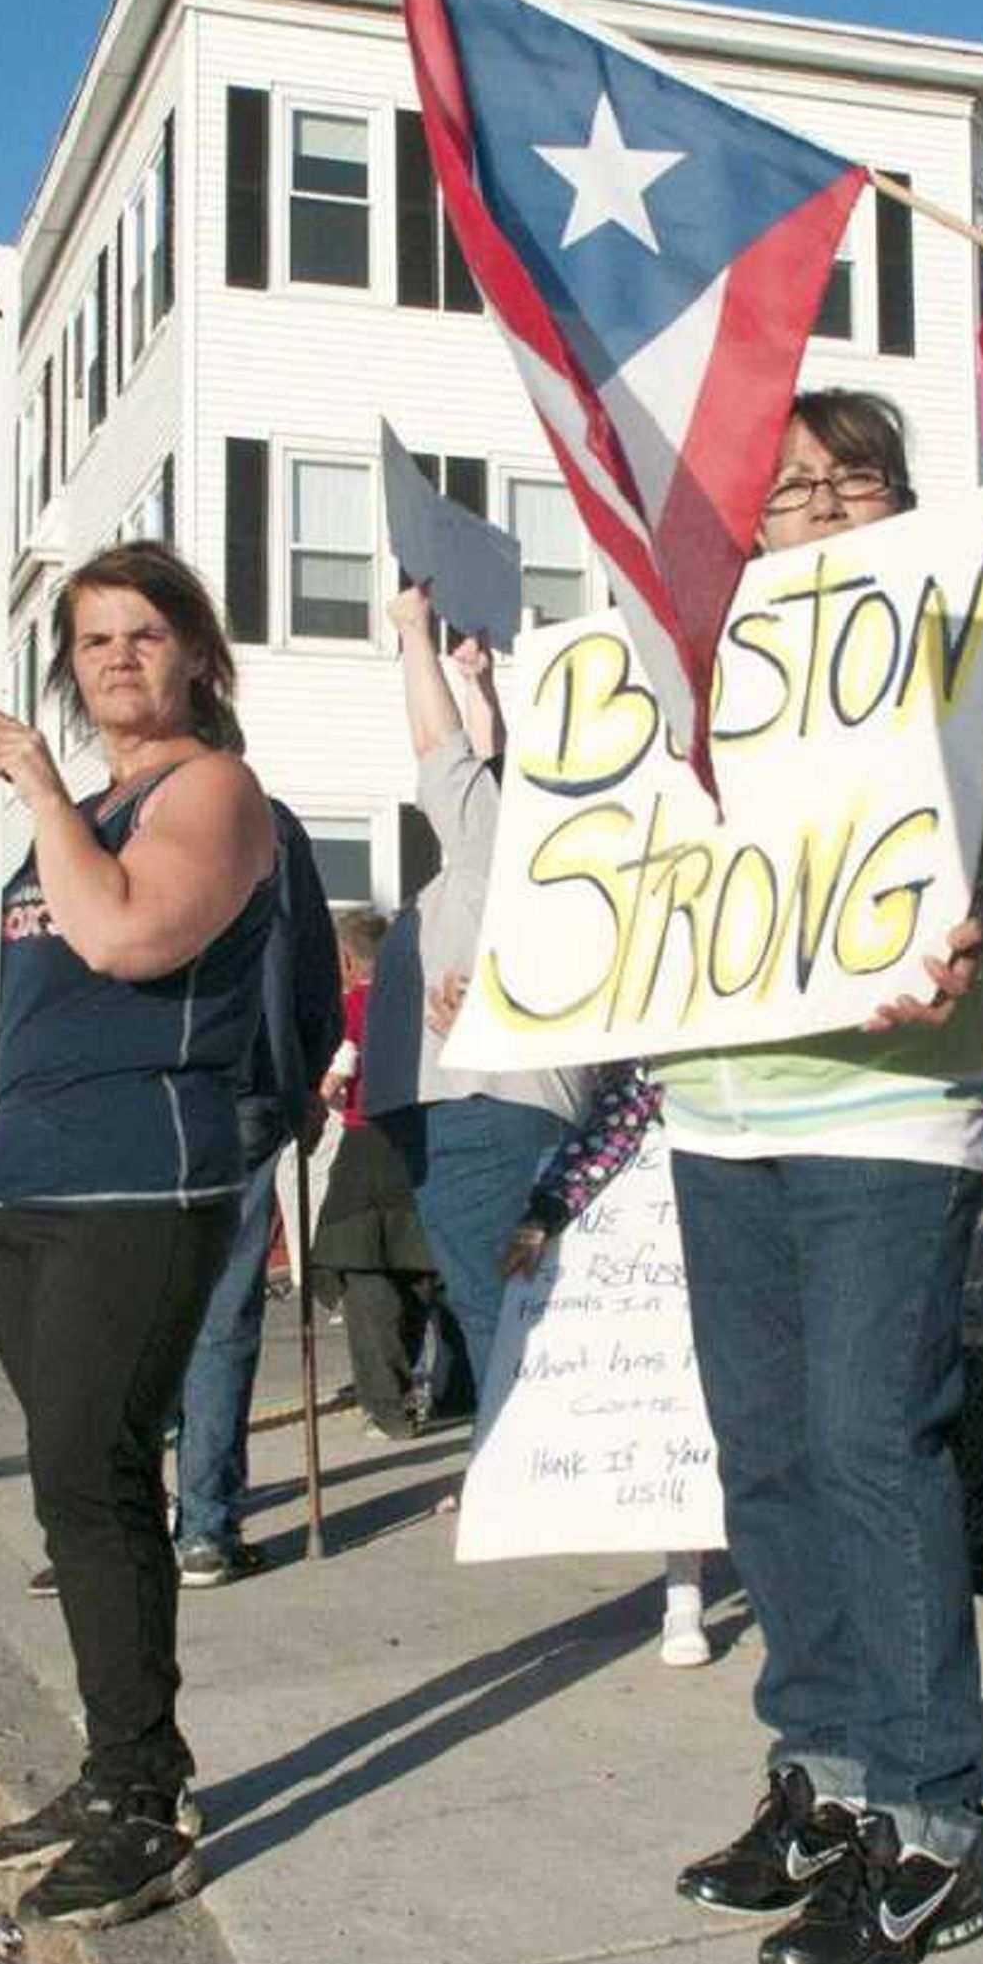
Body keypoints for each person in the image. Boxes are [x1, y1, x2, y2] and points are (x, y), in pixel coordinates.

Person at [649, 390, 983, 1964]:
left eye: (843, 481)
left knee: (876, 1440)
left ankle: (928, 1813)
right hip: (719, 1103)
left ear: (898, 506)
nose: (806, 507)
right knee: (770, 1453)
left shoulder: (964, 655)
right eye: (781, 486)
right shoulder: (699, 681)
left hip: (886, 1100)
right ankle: (825, 1769)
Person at [0, 539, 279, 1934]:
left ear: (197, 657)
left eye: (146, 633)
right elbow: (29, 1007)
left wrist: (43, 789)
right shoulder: (81, 806)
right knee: (69, 1485)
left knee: (98, 1475)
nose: (118, 656)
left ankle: (143, 1801)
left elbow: (125, 941)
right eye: (94, 638)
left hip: (141, 1182)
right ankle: (120, 1762)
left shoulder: (210, 792)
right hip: (23, 1178)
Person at [381, 582, 593, 1460]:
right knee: (510, 1292)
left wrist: (413, 635)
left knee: (491, 1298)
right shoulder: (543, 853)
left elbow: (443, 755)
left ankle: (514, 1469)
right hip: (495, 1104)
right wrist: (483, 686)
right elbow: (480, 762)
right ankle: (525, 1464)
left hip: (481, 1106)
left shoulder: (498, 844)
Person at [162, 796, 343, 1587]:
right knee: (221, 1305)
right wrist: (303, 1074)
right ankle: (203, 1523)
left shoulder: (113, 809)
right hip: (242, 1080)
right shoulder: (267, 821)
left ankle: (119, 1519)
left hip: (139, 1088)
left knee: (131, 1305)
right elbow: (309, 967)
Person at [492, 1065, 714, 1666]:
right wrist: (547, 1211)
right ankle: (683, 1594)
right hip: (665, 1244)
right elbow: (617, 1121)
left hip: (761, 1223)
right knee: (678, 1415)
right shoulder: (657, 1052)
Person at [308, 908, 458, 1437]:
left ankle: (389, 1404)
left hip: (370, 1143)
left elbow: (337, 1068)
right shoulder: (428, 1001)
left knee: (365, 1270)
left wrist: (313, 1099)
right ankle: (450, 1388)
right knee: (429, 1268)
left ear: (347, 961)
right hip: (432, 1134)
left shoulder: (351, 1006)